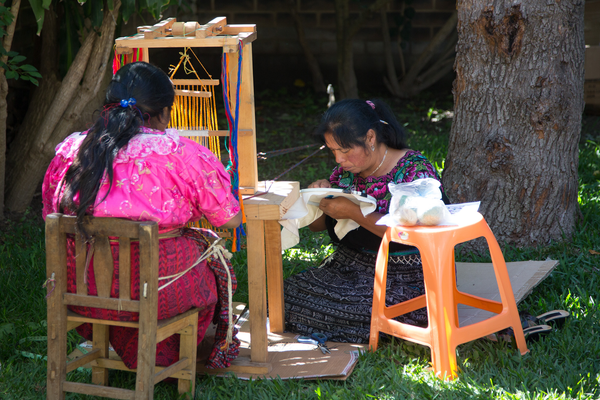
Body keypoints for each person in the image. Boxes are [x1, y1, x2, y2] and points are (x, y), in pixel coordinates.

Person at [42, 62, 242, 369]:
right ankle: (170, 356)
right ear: (164, 112)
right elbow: (228, 219)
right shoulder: (179, 153)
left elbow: (50, 215)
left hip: (82, 289)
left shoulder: (71, 150)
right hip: (158, 293)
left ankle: (125, 349)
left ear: (107, 109)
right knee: (213, 260)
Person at [284, 98, 448, 344]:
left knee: (362, 309)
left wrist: (354, 212)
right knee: (283, 294)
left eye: (345, 150)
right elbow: (319, 226)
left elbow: (417, 235)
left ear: (370, 138)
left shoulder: (414, 172)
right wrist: (319, 199)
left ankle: (393, 322)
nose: (339, 159)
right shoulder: (345, 175)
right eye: (333, 151)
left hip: (406, 275)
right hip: (351, 268)